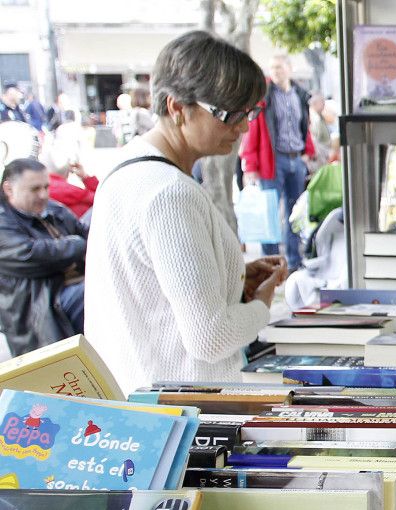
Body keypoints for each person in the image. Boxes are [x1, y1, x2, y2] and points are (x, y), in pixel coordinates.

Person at [85, 30, 286, 394]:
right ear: (178, 108)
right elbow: (210, 337)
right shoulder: (170, 193)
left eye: (249, 113)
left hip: (143, 402)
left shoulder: (127, 171)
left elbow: (152, 296)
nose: (242, 128)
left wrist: (233, 278)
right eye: (229, 114)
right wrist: (261, 305)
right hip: (187, 415)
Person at [0, 158, 87, 355]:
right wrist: (76, 244)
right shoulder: (3, 221)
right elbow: (33, 255)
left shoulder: (54, 209)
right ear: (9, 189)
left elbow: (89, 234)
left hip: (63, 289)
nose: (44, 195)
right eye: (35, 189)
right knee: (92, 294)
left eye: (46, 187)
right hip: (37, 305)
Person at [240, 53, 315, 271]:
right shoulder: (265, 98)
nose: (275, 72)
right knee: (269, 213)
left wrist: (307, 151)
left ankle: (293, 261)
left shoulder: (299, 95)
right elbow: (253, 131)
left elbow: (303, 126)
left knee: (295, 212)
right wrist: (251, 164)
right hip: (273, 160)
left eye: (279, 67)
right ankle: (270, 264)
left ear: (289, 69)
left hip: (296, 158)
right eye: (272, 68)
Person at [44, 148, 97, 220]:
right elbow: (100, 199)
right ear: (69, 168)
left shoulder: (43, 188)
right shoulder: (69, 189)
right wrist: (85, 177)